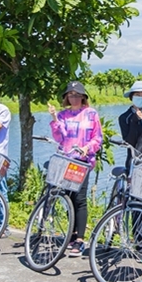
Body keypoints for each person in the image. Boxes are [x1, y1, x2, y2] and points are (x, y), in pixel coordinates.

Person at [47, 81, 103, 256]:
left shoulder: (91, 114)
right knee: (68, 198)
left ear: (83, 97)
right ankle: (70, 235)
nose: (74, 98)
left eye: (77, 95)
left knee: (79, 199)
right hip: (66, 160)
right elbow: (59, 137)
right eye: (71, 95)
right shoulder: (63, 115)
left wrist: (87, 148)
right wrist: (55, 118)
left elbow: (98, 138)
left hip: (82, 161)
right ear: (66, 98)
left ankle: (80, 239)